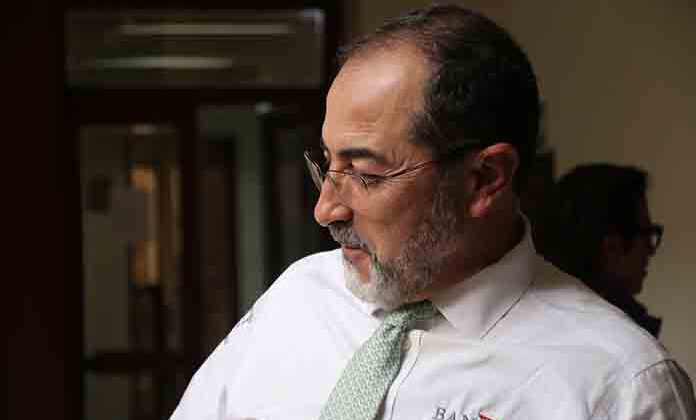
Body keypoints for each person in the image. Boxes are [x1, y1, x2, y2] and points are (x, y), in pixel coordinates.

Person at [170, 5, 695, 420]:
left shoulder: (620, 386)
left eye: (365, 173)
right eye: (327, 163)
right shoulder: (296, 298)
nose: (325, 209)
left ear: (484, 179)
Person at [544, 164, 664, 337]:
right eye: (646, 234)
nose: (651, 251)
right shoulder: (626, 339)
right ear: (612, 247)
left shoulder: (536, 323)